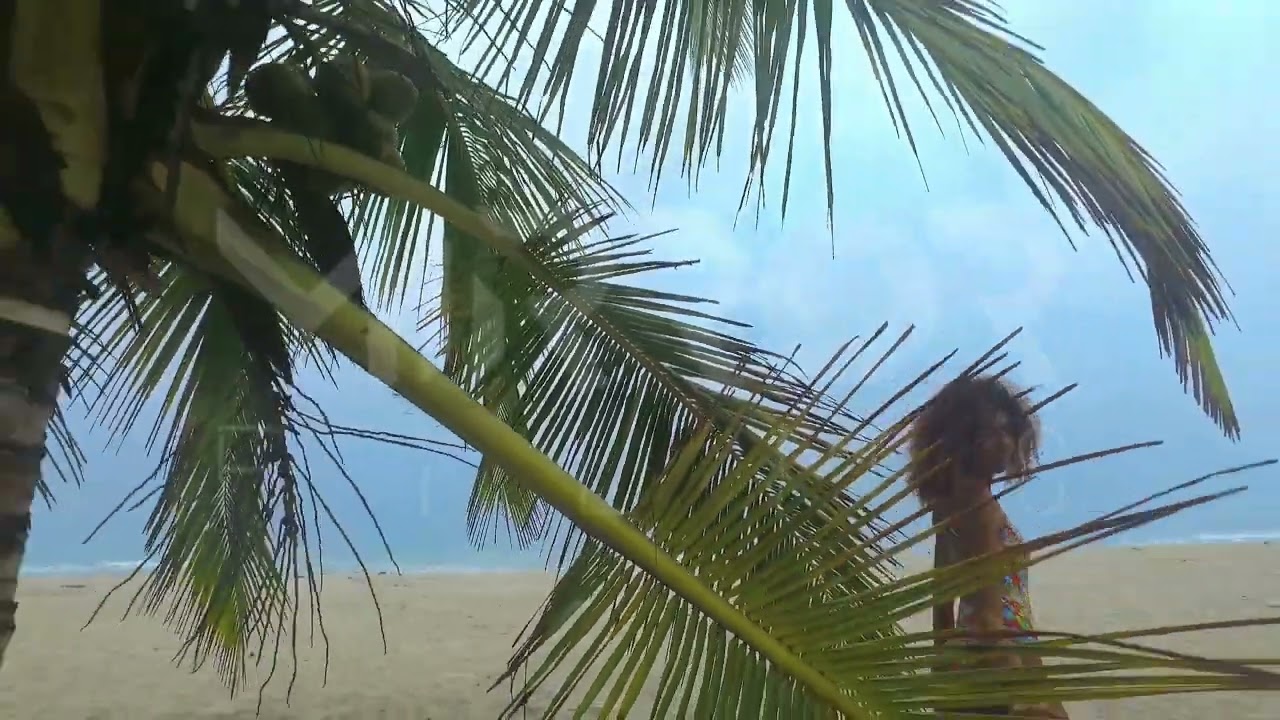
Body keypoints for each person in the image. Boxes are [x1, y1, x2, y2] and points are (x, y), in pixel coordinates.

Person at [910, 374, 1068, 719]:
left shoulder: (948, 502)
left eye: (1007, 431)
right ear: (964, 438)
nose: (1005, 443)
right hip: (1002, 653)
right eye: (991, 432)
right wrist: (1027, 691)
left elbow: (941, 593)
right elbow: (988, 614)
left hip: (962, 656)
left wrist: (943, 661)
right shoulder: (982, 509)